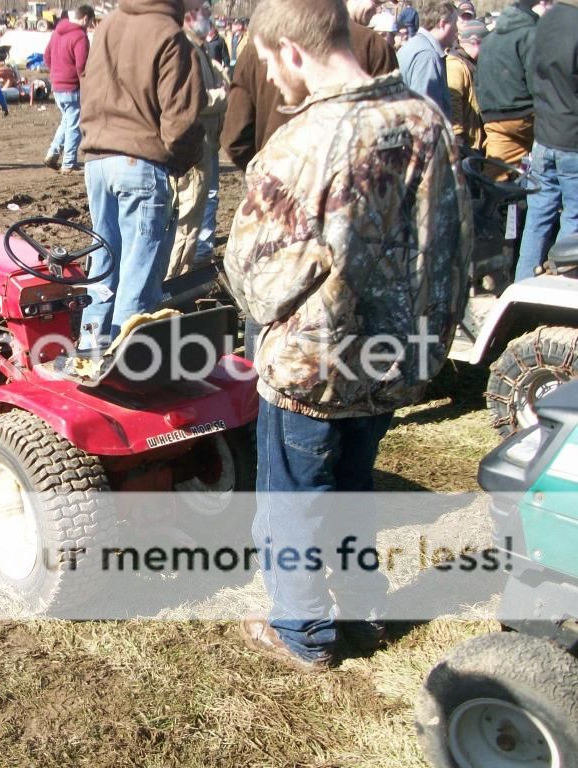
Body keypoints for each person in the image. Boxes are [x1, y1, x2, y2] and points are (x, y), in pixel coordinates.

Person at [226, 0, 471, 670]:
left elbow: (253, 273)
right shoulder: (426, 120)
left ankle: (301, 632)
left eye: (270, 64)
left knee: (294, 500)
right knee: (355, 486)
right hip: (396, 359)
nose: (272, 81)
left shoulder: (306, 142)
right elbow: (453, 243)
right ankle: (362, 610)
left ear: (292, 51)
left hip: (313, 366)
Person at [220, 0, 397, 358]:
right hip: (354, 207)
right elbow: (388, 134)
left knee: (266, 294)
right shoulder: (370, 45)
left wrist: (265, 174)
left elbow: (235, 136)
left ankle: (258, 385)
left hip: (276, 199)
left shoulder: (261, 42)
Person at [78, 0, 206, 346]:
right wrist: (180, 163)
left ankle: (90, 348)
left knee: (103, 264)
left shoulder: (107, 26)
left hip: (98, 160)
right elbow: (184, 120)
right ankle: (127, 364)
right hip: (140, 162)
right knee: (138, 275)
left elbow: (86, 89)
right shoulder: (169, 36)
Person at [515, 0, 577, 280]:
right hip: (571, 139)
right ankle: (564, 283)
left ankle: (524, 282)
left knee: (537, 217)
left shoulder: (544, 24)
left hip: (543, 137)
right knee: (574, 216)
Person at [166, 9, 227, 278]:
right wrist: (226, 96)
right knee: (185, 221)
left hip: (205, 143)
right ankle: (174, 283)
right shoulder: (185, 48)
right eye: (203, 10)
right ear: (189, 16)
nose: (209, 16)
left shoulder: (199, 49)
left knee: (195, 212)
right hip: (193, 145)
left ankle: (188, 267)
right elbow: (191, 99)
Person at [475, 0, 552, 170]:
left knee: (496, 176)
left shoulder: (489, 38)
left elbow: (478, 79)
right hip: (526, 114)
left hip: (492, 116)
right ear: (542, 3)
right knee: (550, 169)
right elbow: (538, 80)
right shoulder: (531, 34)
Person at [43, 5, 94, 174]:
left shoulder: (57, 32)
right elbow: (82, 66)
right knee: (74, 125)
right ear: (85, 18)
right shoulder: (80, 36)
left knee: (67, 120)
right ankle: (69, 163)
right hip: (72, 87)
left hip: (57, 86)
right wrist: (88, 86)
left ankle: (53, 152)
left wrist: (55, 73)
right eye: (90, 22)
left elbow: (47, 55)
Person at [396, 1, 458, 117]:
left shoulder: (414, 45)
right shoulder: (427, 56)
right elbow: (426, 114)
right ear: (443, 24)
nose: (456, 31)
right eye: (455, 25)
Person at [446, 18, 487, 152]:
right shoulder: (455, 65)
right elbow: (453, 101)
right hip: (466, 143)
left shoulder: (471, 63)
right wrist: (458, 136)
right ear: (475, 42)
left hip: (475, 142)